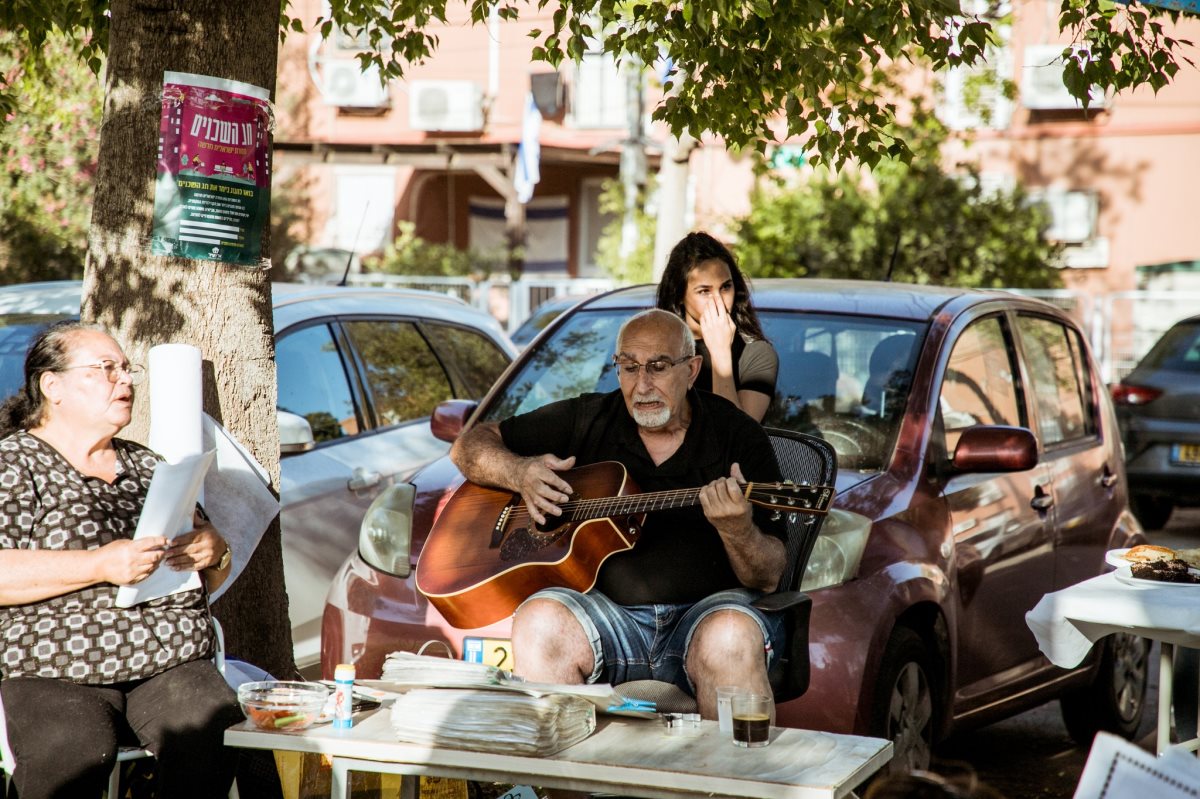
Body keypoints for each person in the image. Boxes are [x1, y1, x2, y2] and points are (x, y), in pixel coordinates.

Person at [449, 308, 787, 719]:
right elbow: (468, 445)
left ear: (692, 369)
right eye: (628, 368)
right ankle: (560, 785)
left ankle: (728, 783)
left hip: (705, 616)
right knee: (539, 622)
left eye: (658, 367)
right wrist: (519, 473)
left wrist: (737, 530)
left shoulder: (737, 436)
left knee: (731, 635)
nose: (641, 385)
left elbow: (768, 575)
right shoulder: (587, 418)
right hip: (606, 620)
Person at [0, 321, 242, 799]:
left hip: (169, 659)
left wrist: (214, 552)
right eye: (106, 369)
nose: (125, 381)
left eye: (127, 370)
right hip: (56, 664)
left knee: (220, 733)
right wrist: (100, 565)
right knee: (75, 749)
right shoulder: (13, 464)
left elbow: (208, 577)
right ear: (53, 386)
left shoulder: (149, 465)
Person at [656, 231, 778, 422]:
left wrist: (721, 353)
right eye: (704, 291)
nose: (719, 301)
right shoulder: (658, 348)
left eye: (726, 287)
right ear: (679, 295)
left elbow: (738, 437)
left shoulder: (755, 352)